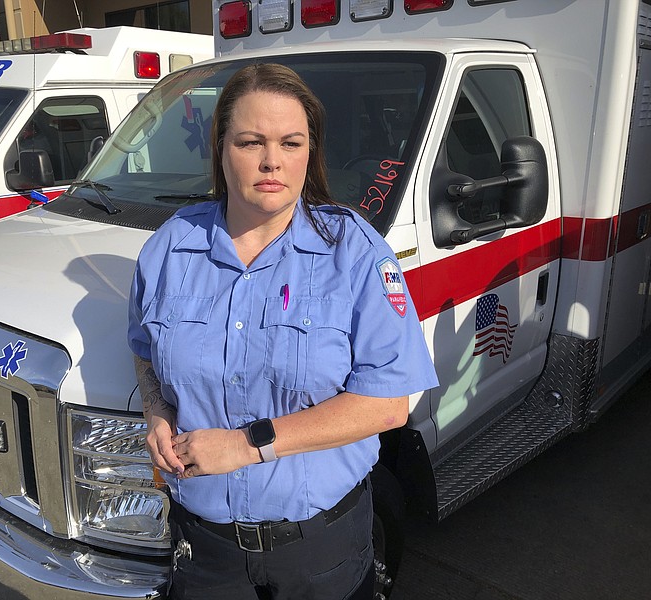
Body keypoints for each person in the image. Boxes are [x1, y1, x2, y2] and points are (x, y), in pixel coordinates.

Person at [128, 63, 438, 600]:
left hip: (321, 549)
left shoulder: (355, 252)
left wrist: (248, 446)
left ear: (309, 153)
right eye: (251, 142)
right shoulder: (170, 248)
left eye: (291, 143)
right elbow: (145, 349)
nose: (272, 160)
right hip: (205, 551)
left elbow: (389, 404)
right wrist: (157, 410)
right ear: (221, 148)